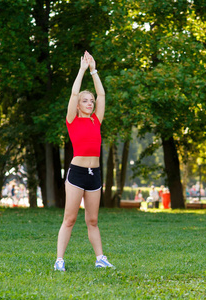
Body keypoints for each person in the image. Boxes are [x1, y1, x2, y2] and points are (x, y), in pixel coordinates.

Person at [54, 51, 114, 271]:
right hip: (77, 173)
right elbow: (73, 94)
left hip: (94, 176)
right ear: (78, 105)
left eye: (91, 101)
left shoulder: (96, 121)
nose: (90, 103)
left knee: (93, 221)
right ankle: (59, 260)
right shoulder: (72, 120)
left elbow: (102, 94)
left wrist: (94, 70)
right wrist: (81, 70)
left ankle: (100, 259)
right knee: (69, 219)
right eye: (85, 101)